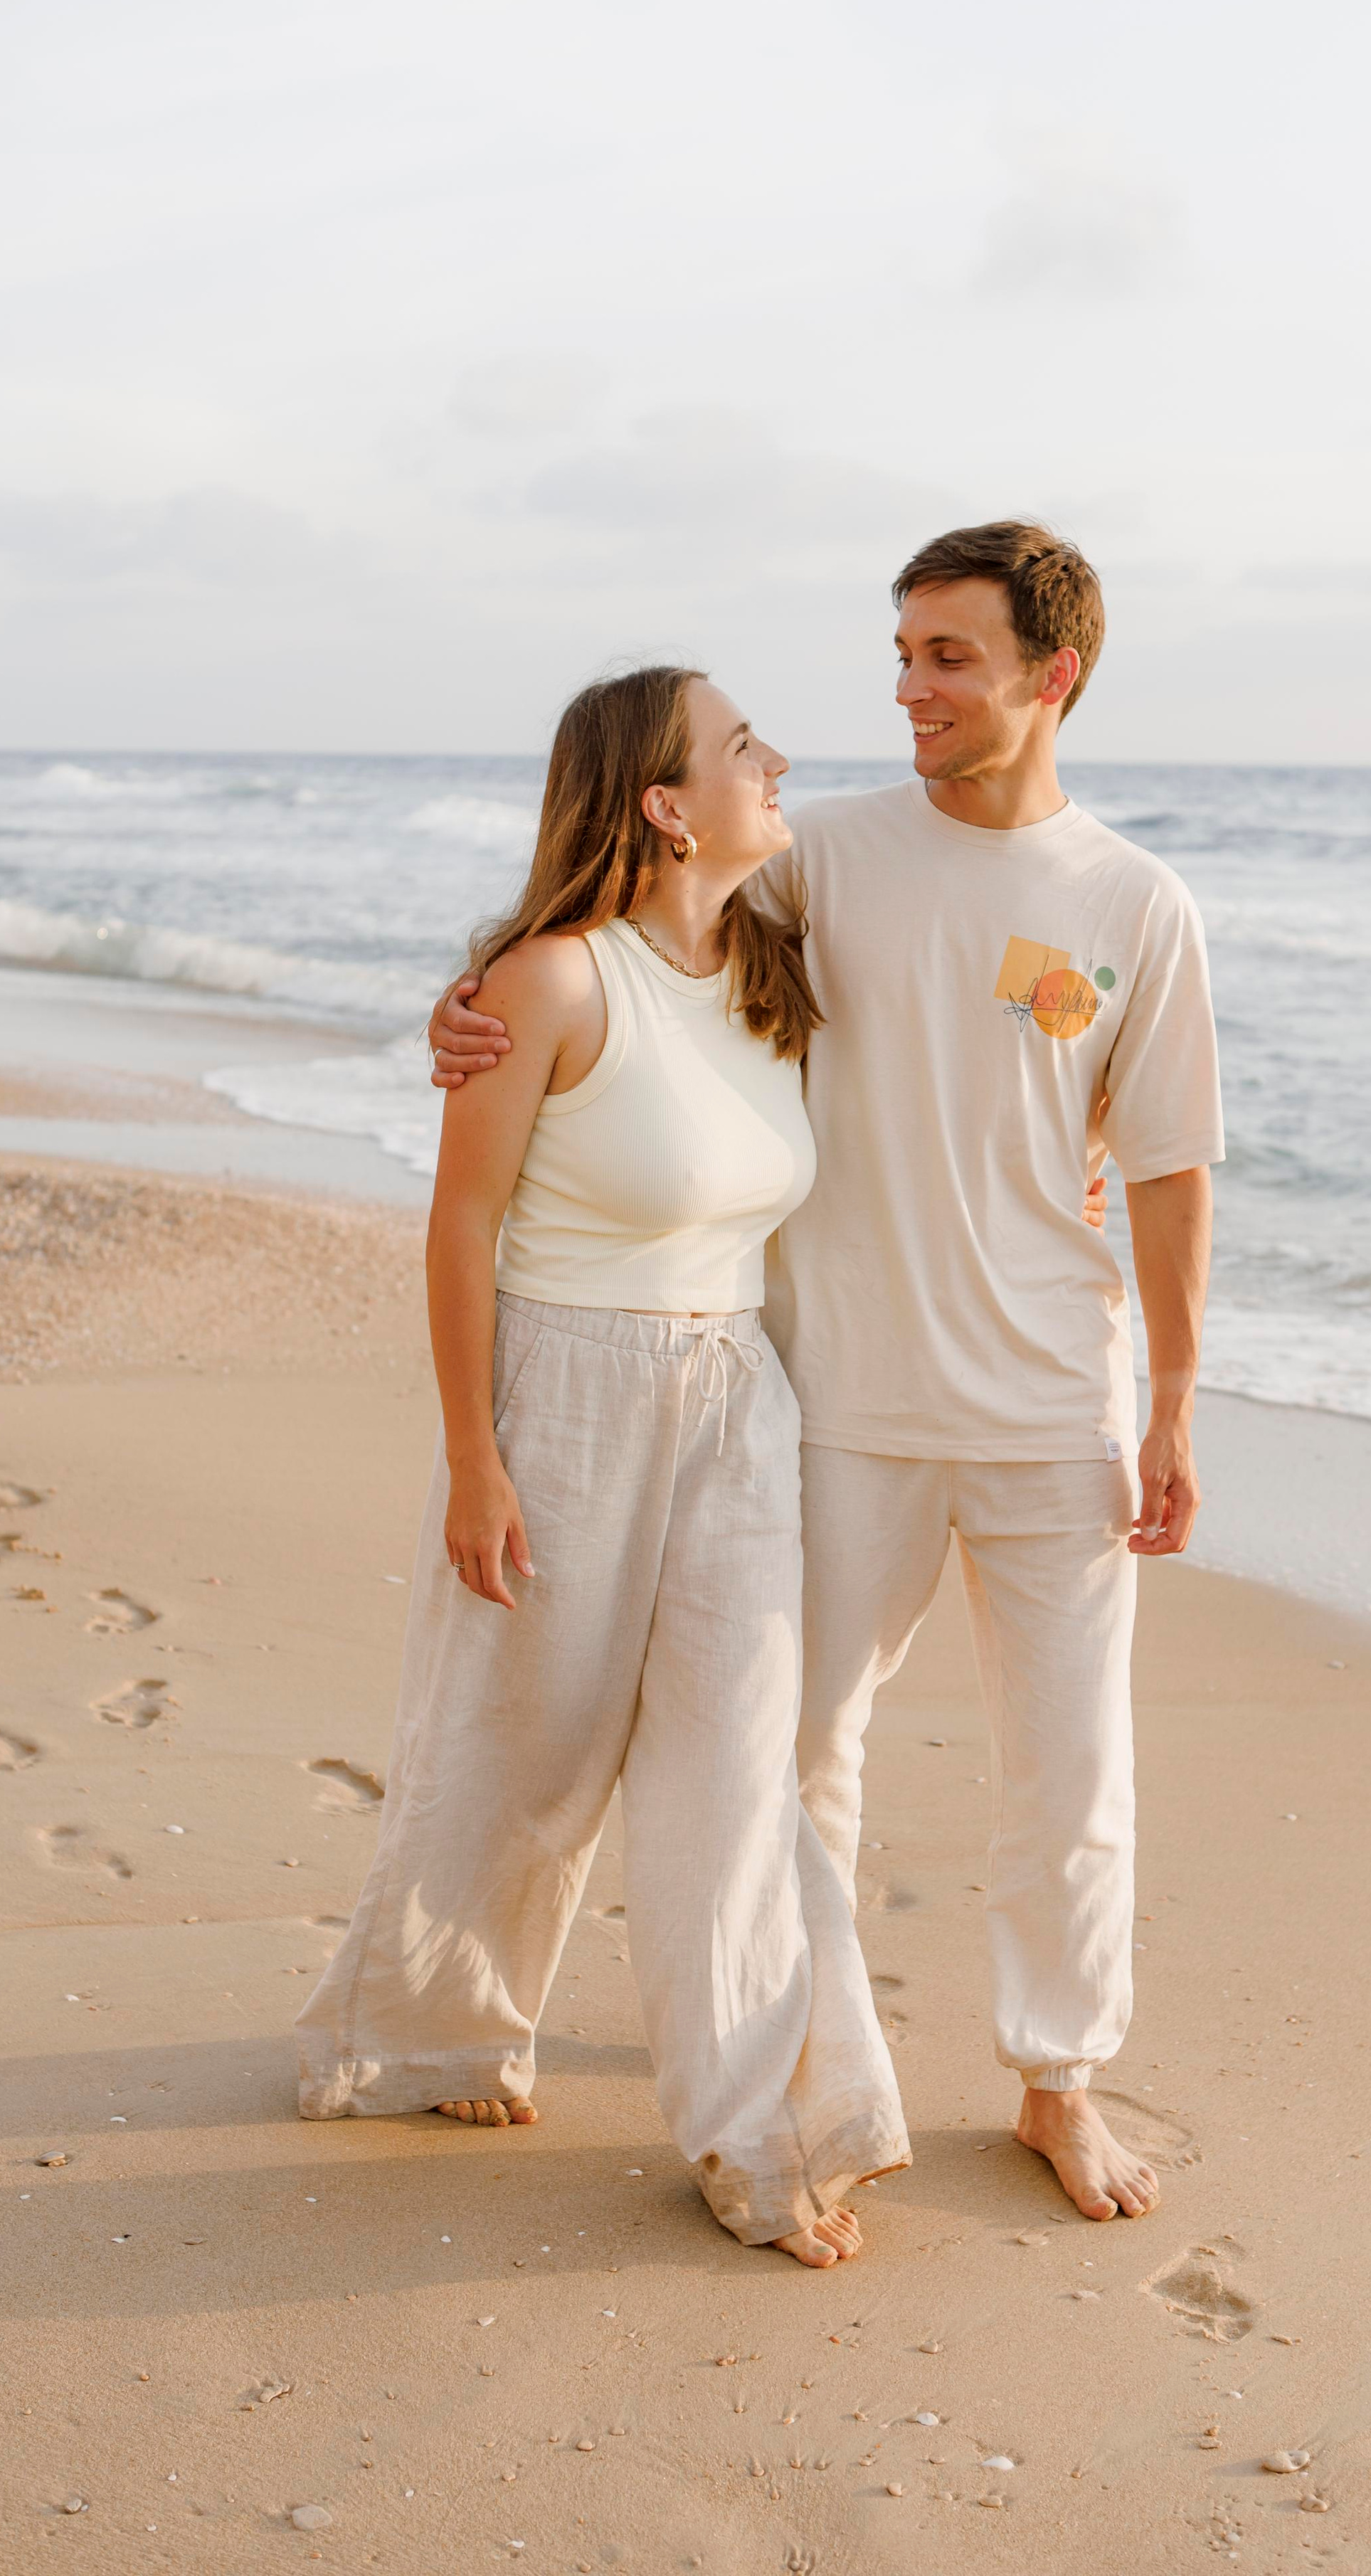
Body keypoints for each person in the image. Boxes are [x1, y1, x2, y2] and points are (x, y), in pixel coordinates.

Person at [432, 521, 1222, 2225]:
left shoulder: (1134, 905)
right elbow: (632, 941)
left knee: (1072, 1772)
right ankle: (797, 2063)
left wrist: (1167, 1404)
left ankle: (1055, 2082)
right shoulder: (817, 860)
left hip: (1046, 1409)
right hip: (835, 1401)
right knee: (791, 1762)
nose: (908, 686)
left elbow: (1164, 1169)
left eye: (949, 657)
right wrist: (465, 1005)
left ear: (1048, 675)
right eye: (905, 651)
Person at [300, 664, 909, 2267]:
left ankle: (761, 2126)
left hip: (735, 1401)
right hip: (562, 1390)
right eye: (738, 748)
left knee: (735, 1764)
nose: (774, 764)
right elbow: (461, 1222)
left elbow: (967, 984)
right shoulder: (553, 981)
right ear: (660, 799)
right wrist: (468, 1456)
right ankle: (433, 2031)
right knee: (524, 1743)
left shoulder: (777, 961)